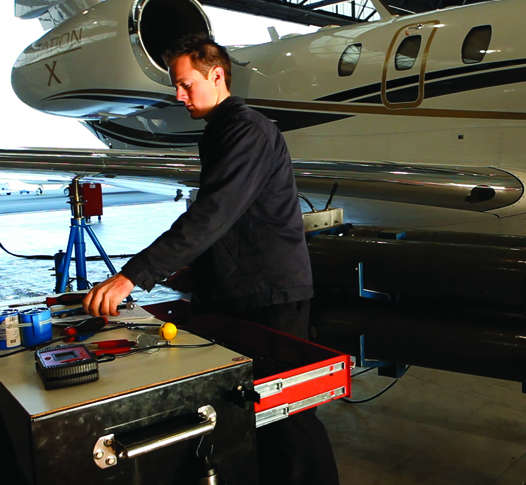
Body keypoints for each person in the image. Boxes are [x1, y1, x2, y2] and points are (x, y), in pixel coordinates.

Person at [82, 33, 339, 485]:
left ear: (217, 75)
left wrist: (132, 276)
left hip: (269, 296)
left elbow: (213, 213)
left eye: (185, 85)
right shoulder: (222, 131)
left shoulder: (247, 130)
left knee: (287, 418)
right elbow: (235, 220)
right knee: (252, 413)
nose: (178, 96)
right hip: (244, 290)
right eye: (175, 87)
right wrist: (197, 269)